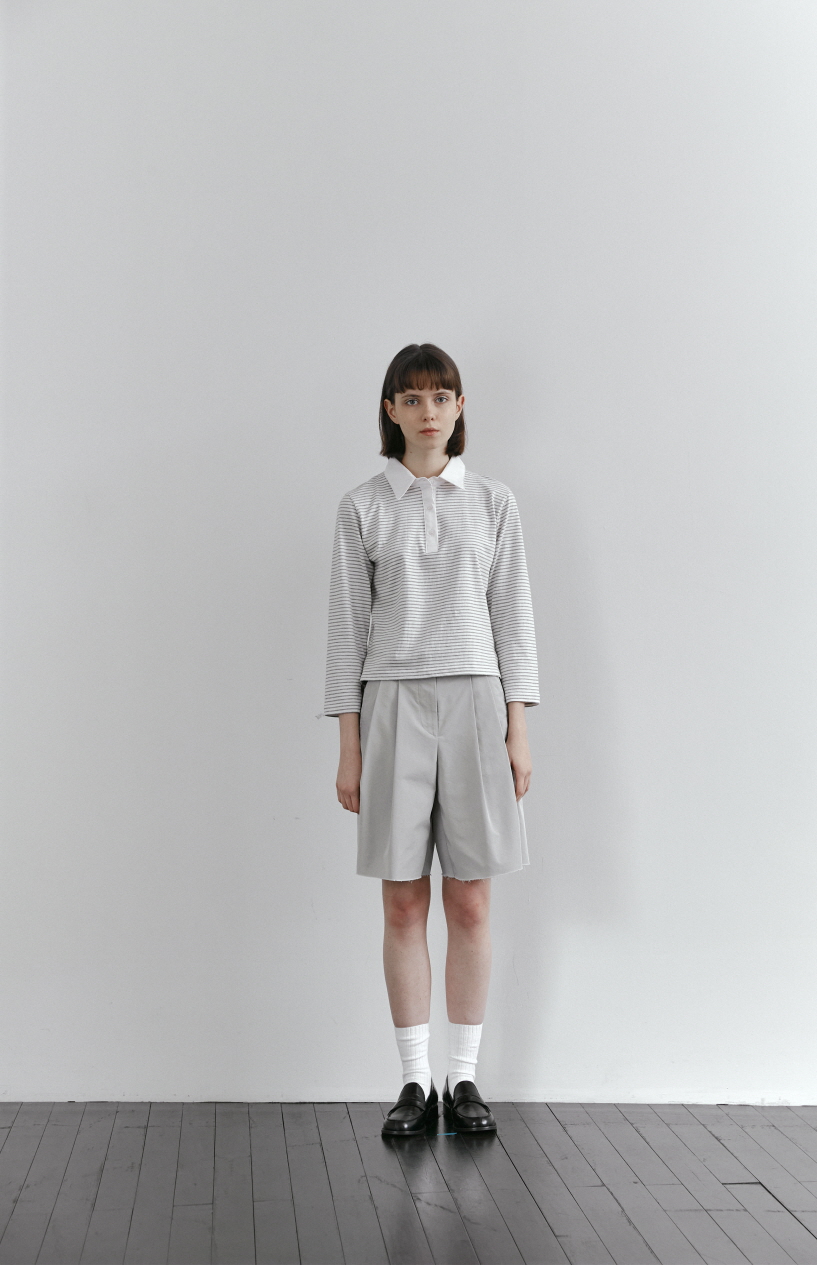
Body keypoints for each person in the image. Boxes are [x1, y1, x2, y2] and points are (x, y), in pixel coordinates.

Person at [323, 343, 539, 1136]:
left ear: (459, 407)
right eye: (412, 398)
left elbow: (513, 619)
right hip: (392, 703)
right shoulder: (362, 507)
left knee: (472, 899)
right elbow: (347, 633)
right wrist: (349, 746)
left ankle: (465, 1078)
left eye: (441, 397)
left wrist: (518, 729)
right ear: (390, 409)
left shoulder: (494, 503)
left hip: (477, 703)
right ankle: (415, 1082)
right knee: (403, 898)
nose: (428, 411)